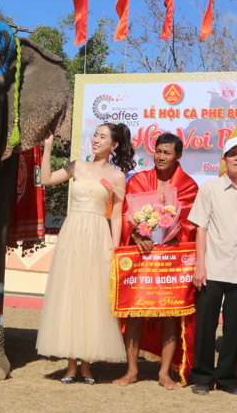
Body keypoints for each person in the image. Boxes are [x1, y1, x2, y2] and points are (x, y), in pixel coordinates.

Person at [35, 123, 132, 382]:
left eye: (103, 137)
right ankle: (70, 365)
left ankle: (87, 365)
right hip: (73, 232)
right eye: (96, 135)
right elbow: (45, 180)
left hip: (99, 235)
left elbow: (118, 217)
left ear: (114, 145)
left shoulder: (117, 176)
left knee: (93, 296)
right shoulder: (77, 165)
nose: (96, 140)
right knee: (70, 293)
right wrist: (47, 147)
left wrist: (114, 250)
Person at [114, 132, 200, 390]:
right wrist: (138, 234)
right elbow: (128, 215)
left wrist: (174, 236)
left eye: (167, 153)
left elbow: (191, 225)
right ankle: (131, 371)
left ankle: (164, 373)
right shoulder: (139, 180)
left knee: (171, 314)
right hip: (142, 256)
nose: (161, 157)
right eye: (158, 151)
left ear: (178, 156)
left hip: (171, 261)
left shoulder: (189, 186)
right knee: (135, 312)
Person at [187, 137, 237, 396]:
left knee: (234, 328)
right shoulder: (209, 188)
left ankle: (227, 378)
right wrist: (200, 265)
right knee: (206, 326)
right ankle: (201, 376)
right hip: (211, 269)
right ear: (224, 160)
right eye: (232, 154)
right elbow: (201, 229)